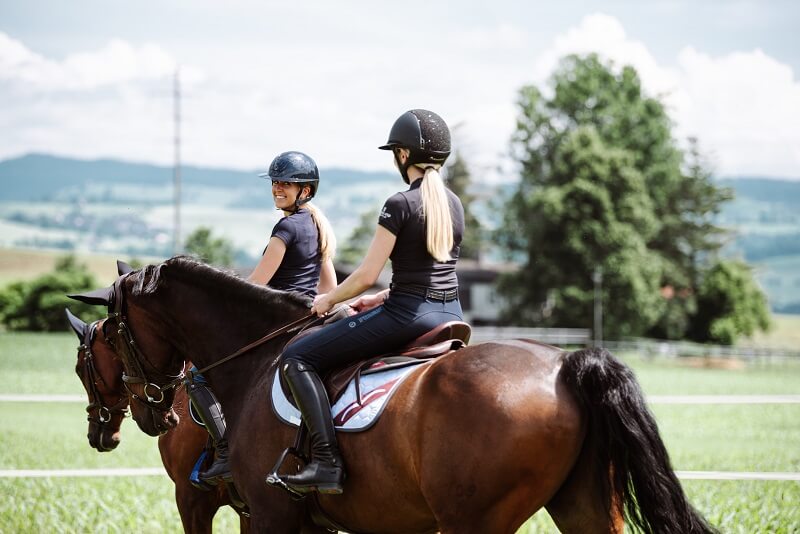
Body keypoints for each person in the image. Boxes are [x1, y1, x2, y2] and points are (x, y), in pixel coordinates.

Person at [278, 109, 465, 495]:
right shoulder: (455, 204)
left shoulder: (399, 203)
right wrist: (382, 298)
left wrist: (328, 299)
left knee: (297, 358)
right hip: (450, 314)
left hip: (408, 317)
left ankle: (326, 461)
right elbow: (429, 272)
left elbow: (365, 275)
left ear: (402, 155)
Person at [188, 150, 337, 484]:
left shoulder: (285, 227)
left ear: (306, 190)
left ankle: (226, 453)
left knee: (197, 376)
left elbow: (255, 286)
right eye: (275, 182)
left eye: (286, 183)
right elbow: (330, 287)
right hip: (304, 321)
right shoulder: (318, 225)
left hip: (274, 324)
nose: (277, 188)